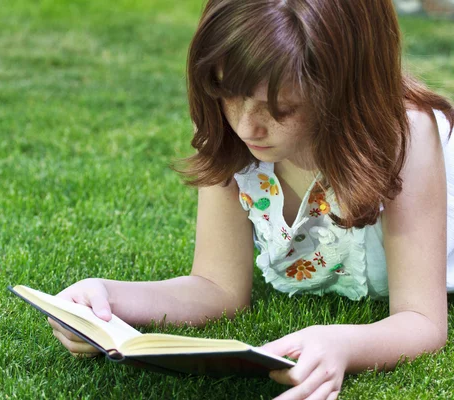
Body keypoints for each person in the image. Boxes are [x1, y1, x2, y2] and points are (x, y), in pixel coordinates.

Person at [49, 1, 454, 398]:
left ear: (344, 90)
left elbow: (421, 320)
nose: (246, 125)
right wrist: (106, 298)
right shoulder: (234, 138)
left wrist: (343, 344)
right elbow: (216, 287)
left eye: (280, 108)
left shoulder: (405, 137)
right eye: (229, 94)